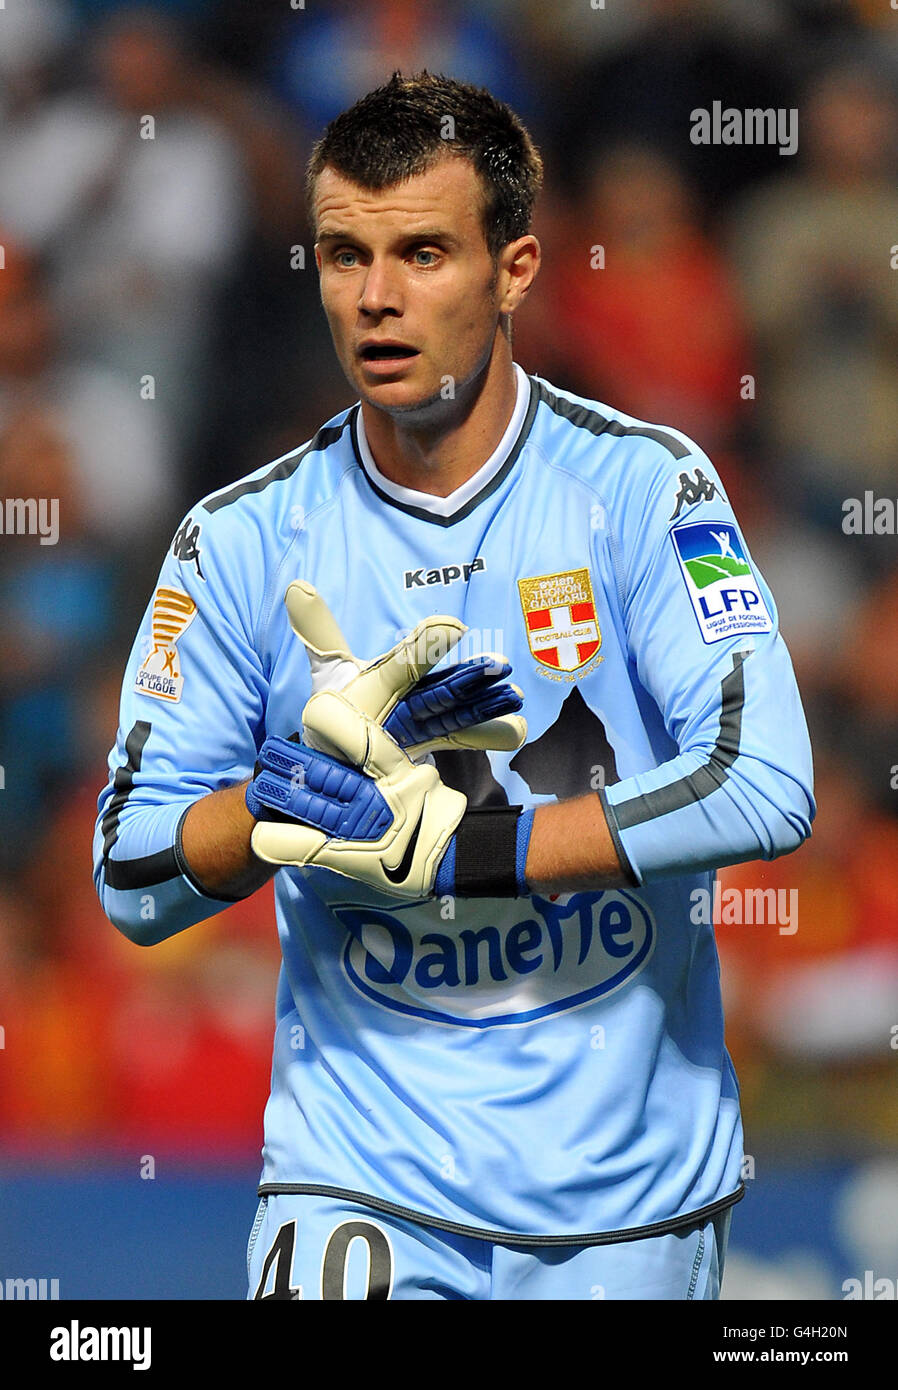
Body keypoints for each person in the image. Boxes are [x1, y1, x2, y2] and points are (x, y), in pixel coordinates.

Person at [94, 71, 815, 1301]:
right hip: (357, 1178)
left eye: (423, 252)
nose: (375, 298)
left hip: (624, 1206)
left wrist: (477, 851)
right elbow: (131, 876)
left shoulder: (644, 489)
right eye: (341, 255)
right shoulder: (240, 541)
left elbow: (766, 784)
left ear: (517, 267)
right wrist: (271, 813)